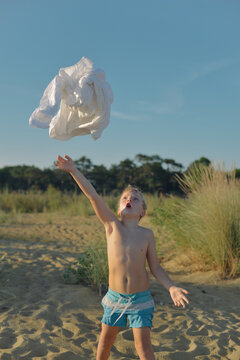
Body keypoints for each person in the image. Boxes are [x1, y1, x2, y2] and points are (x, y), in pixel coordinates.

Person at [56, 154, 189, 360]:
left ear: (142, 211)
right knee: (105, 342)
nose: (129, 200)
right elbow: (93, 196)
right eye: (125, 198)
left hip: (141, 298)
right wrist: (74, 171)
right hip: (114, 298)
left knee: (143, 347)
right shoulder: (111, 226)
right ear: (118, 208)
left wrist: (171, 287)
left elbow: (156, 267)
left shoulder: (147, 235)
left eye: (135, 199)